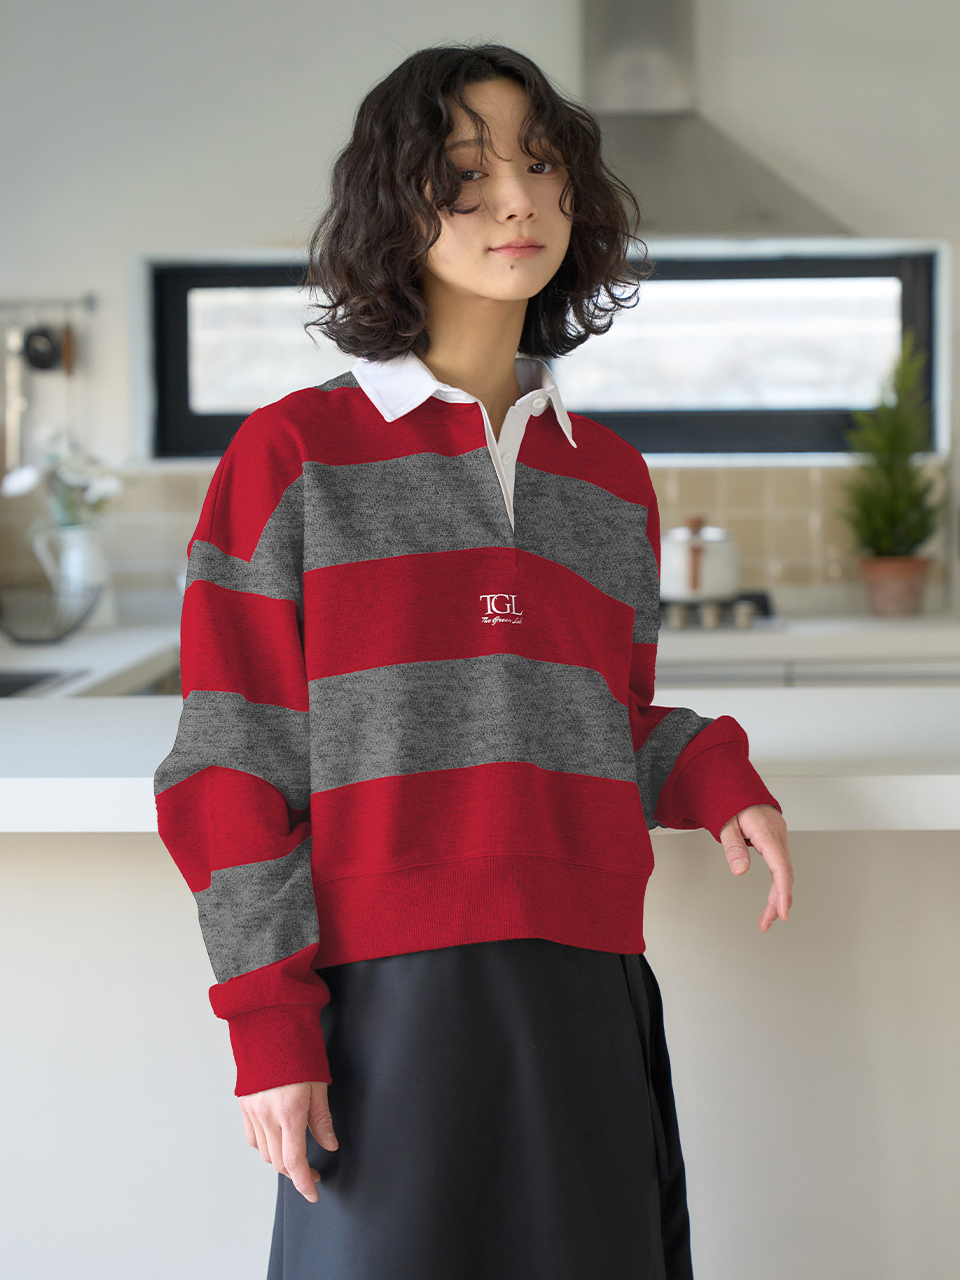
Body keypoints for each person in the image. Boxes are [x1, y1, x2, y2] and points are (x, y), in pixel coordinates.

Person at [154, 42, 794, 1280]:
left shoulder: (609, 478)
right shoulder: (293, 456)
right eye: (465, 172)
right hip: (381, 1001)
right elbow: (230, 759)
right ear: (393, 204)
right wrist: (269, 1022)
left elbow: (600, 713)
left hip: (586, 984)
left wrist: (714, 772)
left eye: (541, 164)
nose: (516, 199)